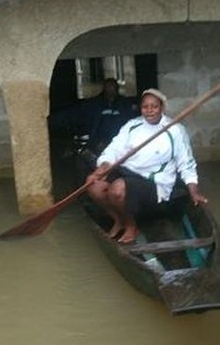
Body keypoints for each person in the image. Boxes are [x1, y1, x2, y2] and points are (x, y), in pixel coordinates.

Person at [85, 88, 208, 244]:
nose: (149, 110)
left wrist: (194, 191)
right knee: (93, 186)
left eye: (154, 106)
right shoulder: (132, 126)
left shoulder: (175, 130)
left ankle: (131, 226)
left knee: (117, 190)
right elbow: (113, 150)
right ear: (141, 108)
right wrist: (100, 170)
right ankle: (120, 219)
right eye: (145, 106)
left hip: (154, 182)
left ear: (162, 108)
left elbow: (186, 163)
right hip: (126, 173)